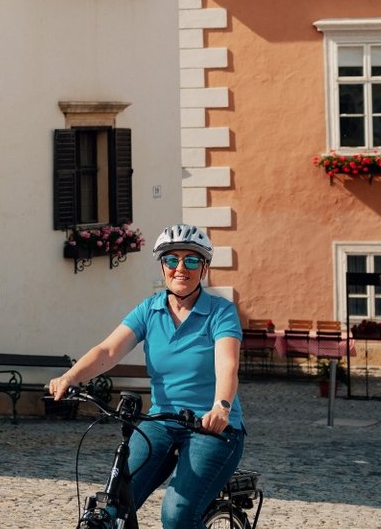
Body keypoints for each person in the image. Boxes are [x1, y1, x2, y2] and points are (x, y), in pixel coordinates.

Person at [46, 223, 245, 529]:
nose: (181, 268)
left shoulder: (221, 312)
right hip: (161, 422)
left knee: (177, 516)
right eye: (171, 259)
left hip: (212, 428)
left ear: (204, 268)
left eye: (191, 260)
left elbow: (227, 364)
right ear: (162, 265)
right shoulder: (149, 311)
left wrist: (221, 405)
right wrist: (70, 377)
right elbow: (108, 351)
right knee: (114, 506)